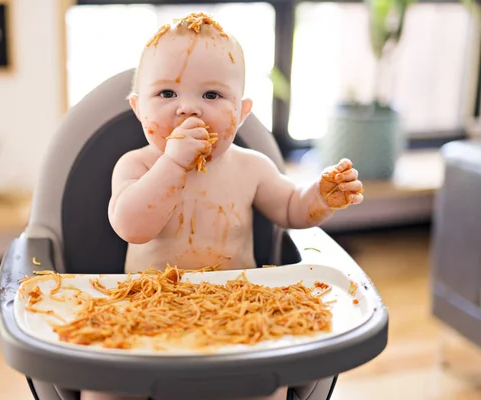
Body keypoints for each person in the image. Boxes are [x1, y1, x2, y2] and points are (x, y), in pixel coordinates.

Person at [82, 12, 364, 400]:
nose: (188, 110)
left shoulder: (251, 167)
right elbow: (132, 226)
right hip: (147, 314)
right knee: (100, 388)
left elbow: (291, 209)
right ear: (138, 108)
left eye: (211, 95)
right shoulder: (138, 165)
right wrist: (173, 164)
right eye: (167, 94)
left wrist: (320, 196)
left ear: (242, 112)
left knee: (271, 385)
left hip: (237, 313)